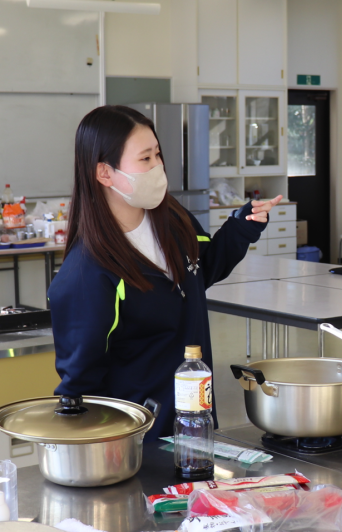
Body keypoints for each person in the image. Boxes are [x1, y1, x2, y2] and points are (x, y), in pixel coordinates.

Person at [48, 105, 282, 440]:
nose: (158, 166)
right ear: (104, 173)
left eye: (158, 154)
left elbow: (201, 271)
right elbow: (79, 385)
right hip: (139, 439)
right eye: (145, 159)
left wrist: (242, 227)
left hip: (195, 420)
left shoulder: (172, 219)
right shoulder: (89, 271)